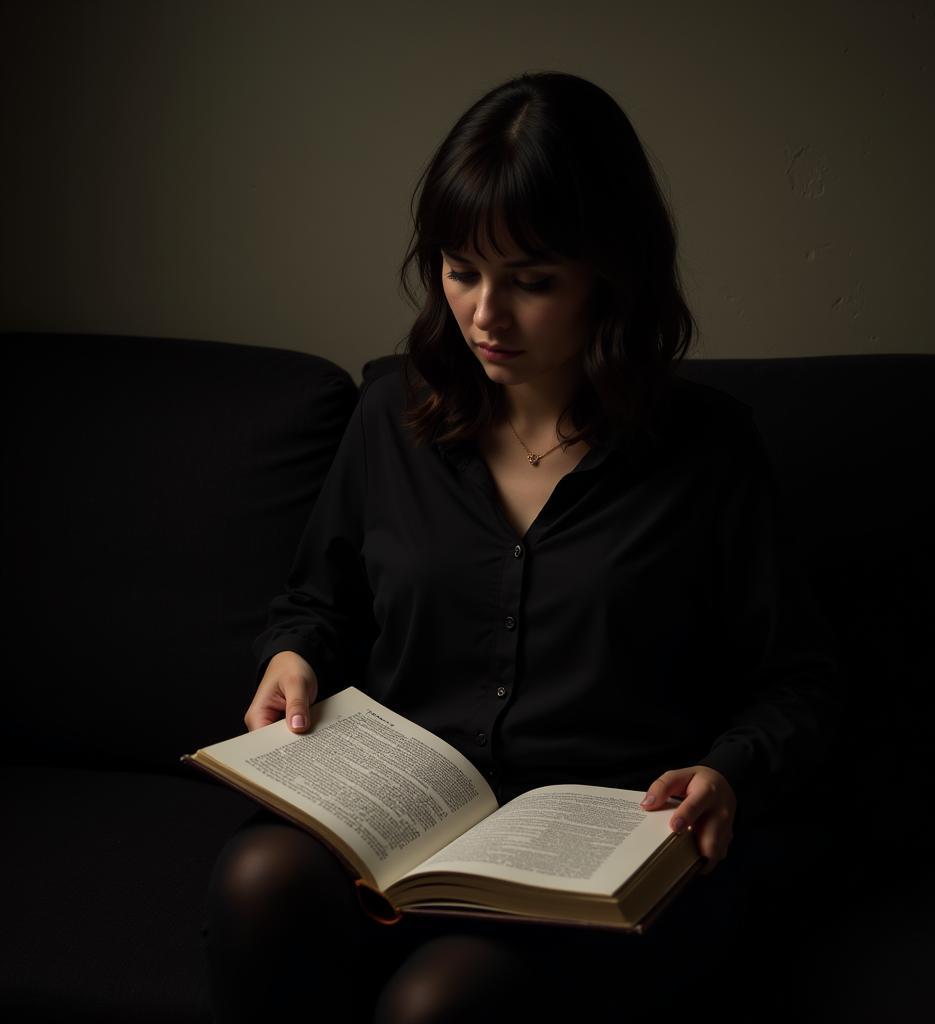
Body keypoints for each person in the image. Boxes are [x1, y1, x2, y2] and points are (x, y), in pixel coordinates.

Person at [202, 71, 846, 1023]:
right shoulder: (392, 418)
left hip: (594, 860)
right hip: (404, 825)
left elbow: (802, 681)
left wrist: (729, 772)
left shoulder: (708, 453)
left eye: (532, 282)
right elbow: (318, 605)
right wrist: (292, 658)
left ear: (609, 277)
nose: (484, 316)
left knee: (441, 1003)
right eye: (461, 270)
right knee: (256, 876)